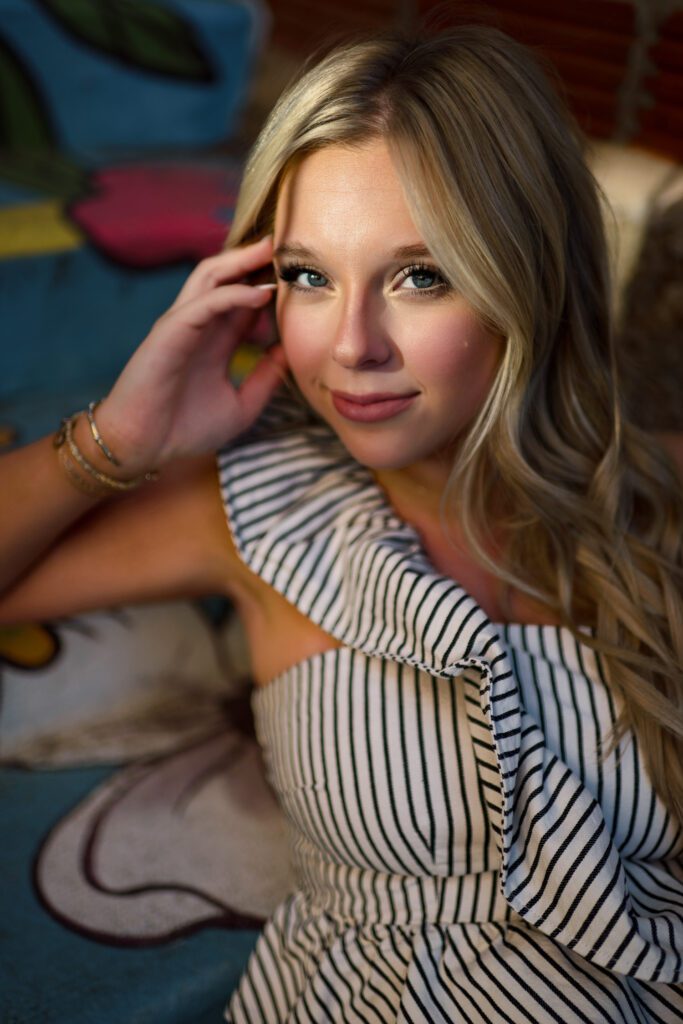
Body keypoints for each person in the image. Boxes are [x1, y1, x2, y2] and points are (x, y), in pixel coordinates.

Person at [1, 22, 683, 1024]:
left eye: (420, 275)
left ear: (523, 279)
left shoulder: (654, 493)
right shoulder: (252, 512)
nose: (351, 346)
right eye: (309, 277)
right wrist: (119, 435)